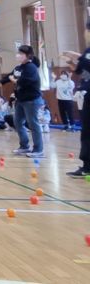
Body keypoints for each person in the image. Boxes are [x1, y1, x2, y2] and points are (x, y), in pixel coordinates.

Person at [0, 45, 44, 158]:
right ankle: (24, 146)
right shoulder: (18, 68)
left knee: (33, 123)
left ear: (28, 56)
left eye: (21, 54)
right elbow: (5, 79)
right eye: (18, 53)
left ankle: (38, 149)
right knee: (17, 122)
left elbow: (24, 82)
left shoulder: (31, 68)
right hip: (20, 100)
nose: (18, 55)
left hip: (31, 100)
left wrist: (14, 80)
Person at [62, 21, 90, 177]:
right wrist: (73, 64)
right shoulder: (87, 51)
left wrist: (76, 56)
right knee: (86, 131)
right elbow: (84, 72)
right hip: (88, 95)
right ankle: (87, 166)